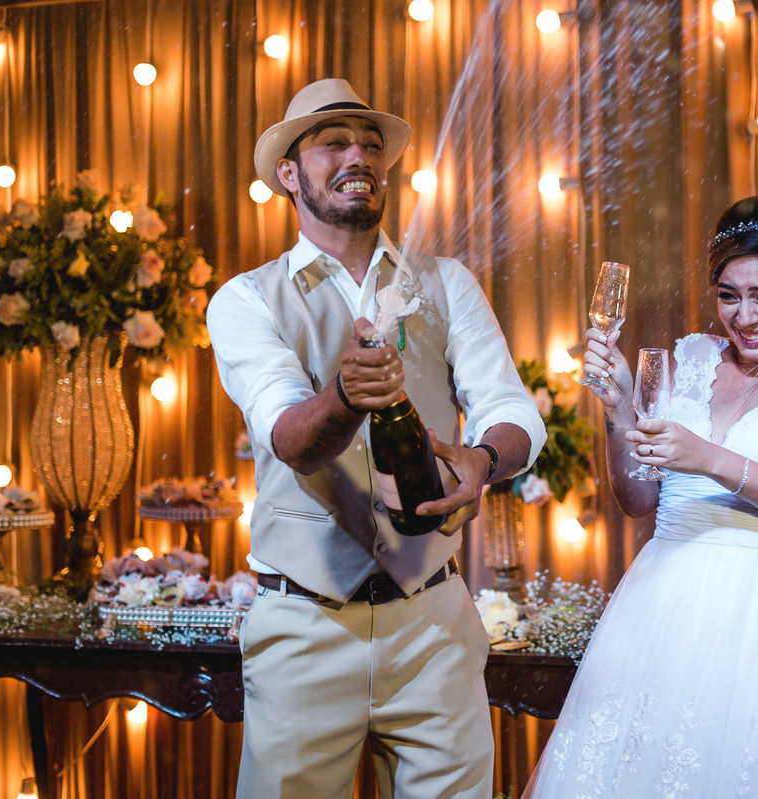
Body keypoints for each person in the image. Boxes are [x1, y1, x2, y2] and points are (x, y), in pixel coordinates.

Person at [206, 78, 546, 799]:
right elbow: (292, 438)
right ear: (290, 176)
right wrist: (343, 394)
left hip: (435, 625)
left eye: (369, 142)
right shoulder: (243, 299)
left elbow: (513, 413)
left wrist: (482, 461)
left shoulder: (446, 281)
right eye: (333, 141)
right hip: (302, 626)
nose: (358, 152)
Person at [524, 196, 758, 798]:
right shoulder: (689, 358)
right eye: (728, 295)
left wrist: (712, 459)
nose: (744, 317)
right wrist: (619, 409)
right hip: (663, 600)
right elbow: (638, 497)